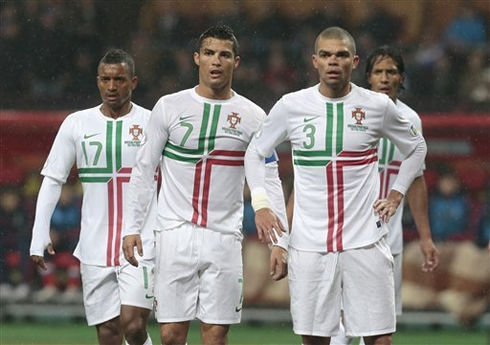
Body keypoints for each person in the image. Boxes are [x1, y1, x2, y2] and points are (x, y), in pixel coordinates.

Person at [245, 27, 427, 345]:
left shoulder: (377, 107)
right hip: (310, 245)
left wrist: (396, 193)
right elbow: (255, 152)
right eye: (326, 55)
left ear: (354, 62)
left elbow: (417, 148)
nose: (333, 61)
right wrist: (261, 205)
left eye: (341, 55)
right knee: (315, 341)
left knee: (380, 340)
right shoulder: (291, 106)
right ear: (315, 61)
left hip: (365, 242)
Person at [122, 25, 288, 345]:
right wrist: (132, 226)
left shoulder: (253, 116)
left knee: (215, 337)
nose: (216, 61)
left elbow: (269, 177)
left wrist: (280, 242)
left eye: (224, 55)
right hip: (174, 232)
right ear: (197, 58)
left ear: (235, 62)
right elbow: (144, 170)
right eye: (209, 53)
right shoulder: (169, 107)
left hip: (224, 236)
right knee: (170, 336)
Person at [29, 48, 157, 345]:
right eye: (106, 79)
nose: (112, 86)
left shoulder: (153, 122)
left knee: (135, 326)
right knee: (109, 334)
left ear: (133, 82)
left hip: (141, 242)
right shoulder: (77, 124)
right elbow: (52, 180)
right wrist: (39, 233)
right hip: (94, 246)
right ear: (98, 81)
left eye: (120, 79)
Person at [331, 45, 442, 345]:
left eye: (391, 71)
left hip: (387, 238)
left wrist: (426, 237)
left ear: (401, 78)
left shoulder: (410, 121)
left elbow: (416, 180)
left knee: (380, 332)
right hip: (346, 232)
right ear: (367, 77)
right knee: (342, 322)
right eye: (378, 71)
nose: (384, 77)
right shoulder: (349, 111)